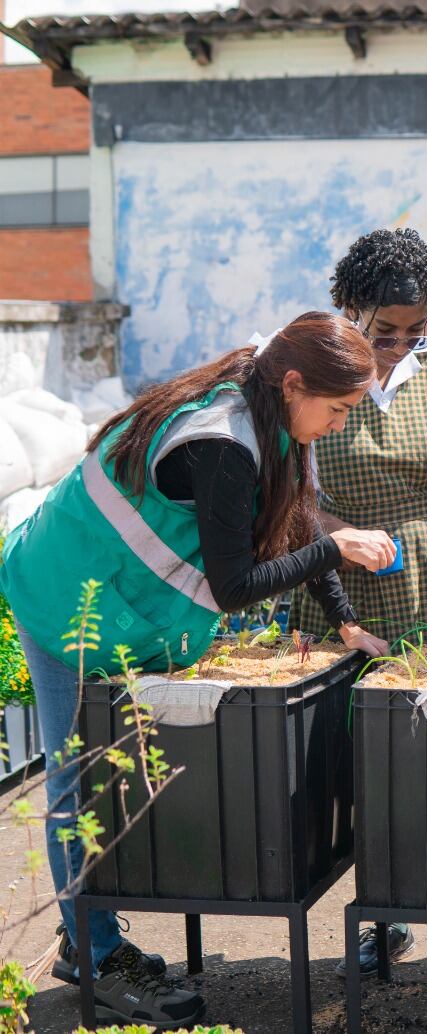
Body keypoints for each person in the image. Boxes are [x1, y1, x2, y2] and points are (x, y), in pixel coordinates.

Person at [0, 312, 392, 1027]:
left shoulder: (269, 400)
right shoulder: (225, 440)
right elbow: (233, 587)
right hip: (63, 593)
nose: (338, 425)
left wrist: (343, 621)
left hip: (113, 597)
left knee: (106, 770)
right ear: (296, 382)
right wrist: (338, 552)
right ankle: (93, 952)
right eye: (337, 410)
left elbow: (295, 512)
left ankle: (87, 933)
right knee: (72, 780)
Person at [289, 228, 427, 979]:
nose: (401, 346)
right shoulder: (312, 373)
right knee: (366, 756)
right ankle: (381, 916)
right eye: (385, 331)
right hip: (346, 582)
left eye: (419, 330)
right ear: (348, 308)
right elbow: (297, 504)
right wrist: (342, 534)